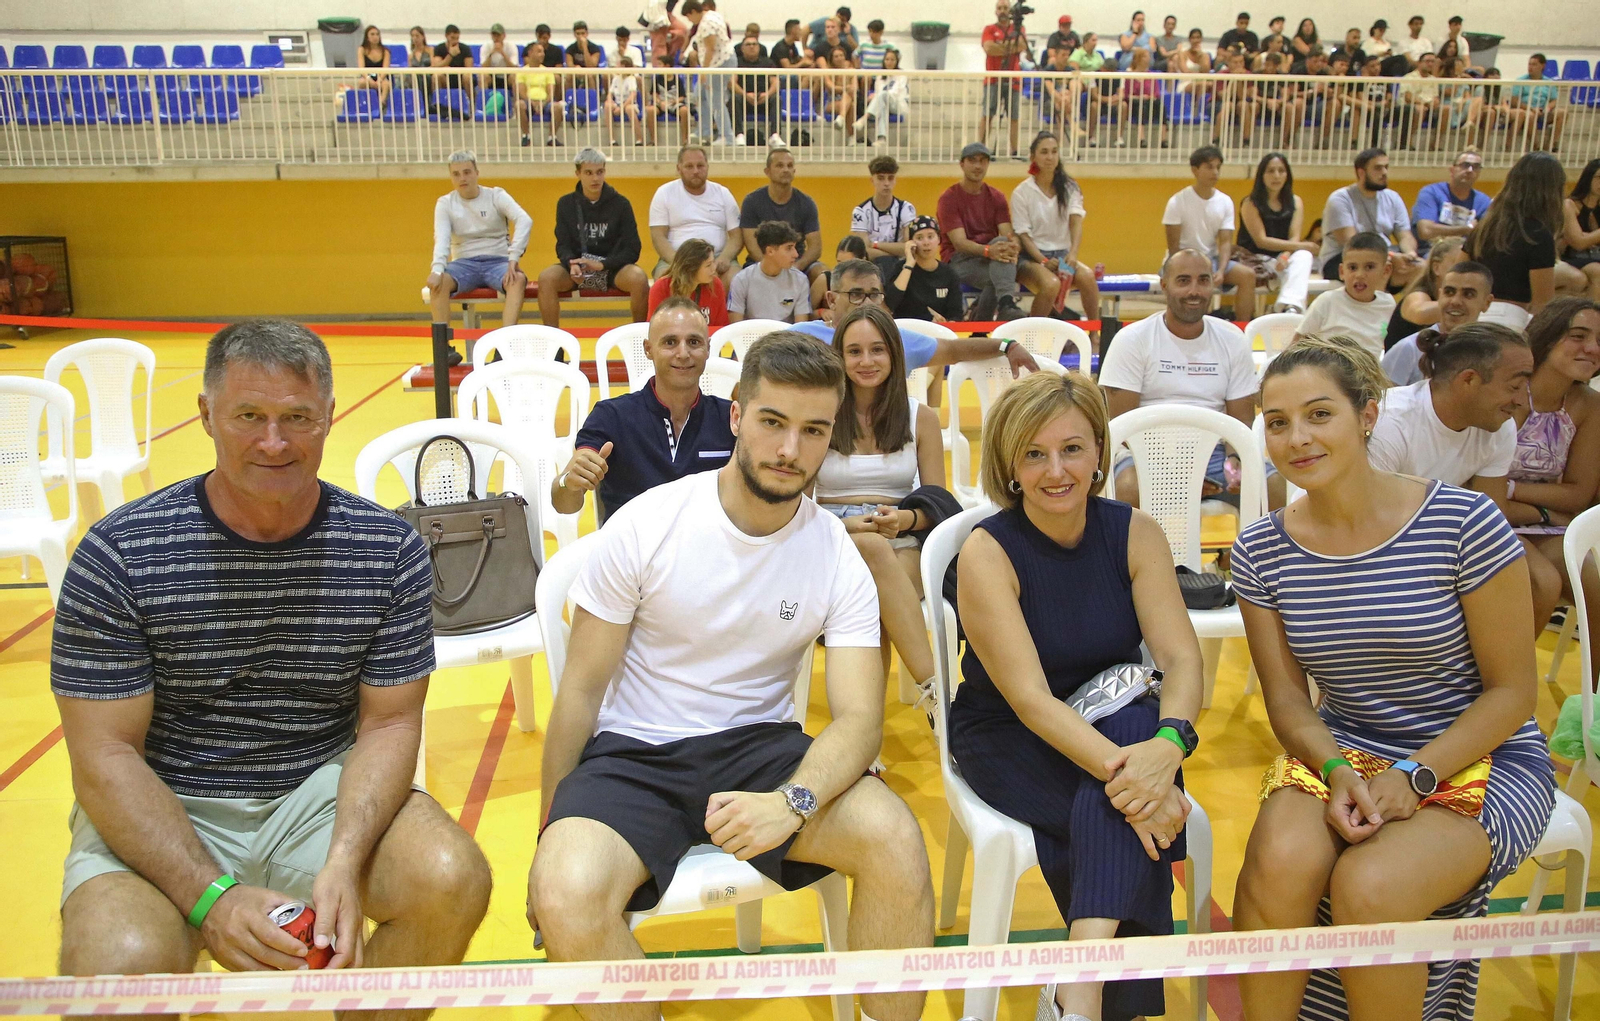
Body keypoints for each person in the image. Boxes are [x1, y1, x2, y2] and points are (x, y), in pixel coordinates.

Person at [53, 319, 492, 988]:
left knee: (450, 878)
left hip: (317, 793)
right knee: (119, 959)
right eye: (249, 416)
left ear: (329, 416)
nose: (274, 442)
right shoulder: (119, 553)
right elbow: (105, 754)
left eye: (297, 417)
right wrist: (209, 897)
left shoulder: (387, 549)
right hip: (167, 797)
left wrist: (345, 858)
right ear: (206, 415)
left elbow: (390, 723)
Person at [528, 333, 936, 1021]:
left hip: (761, 750)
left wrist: (795, 801)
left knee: (896, 840)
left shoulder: (837, 555)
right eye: (773, 422)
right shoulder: (648, 524)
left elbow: (861, 719)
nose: (790, 449)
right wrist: (548, 832)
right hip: (635, 754)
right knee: (565, 891)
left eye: (813, 431)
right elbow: (581, 693)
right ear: (738, 417)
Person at [1231, 334, 1555, 1021]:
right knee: (1277, 865)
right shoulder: (1260, 548)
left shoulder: (1464, 522)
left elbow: (1512, 694)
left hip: (1481, 752)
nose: (1297, 438)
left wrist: (1416, 774)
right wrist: (1333, 767)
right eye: (1278, 422)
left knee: (1371, 884)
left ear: (1368, 416)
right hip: (1344, 745)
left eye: (1320, 414)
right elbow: (1287, 699)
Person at [950, 368, 1204, 1021]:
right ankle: (1102, 1000)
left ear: (1098, 452)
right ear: (1009, 466)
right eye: (1034, 454)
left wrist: (1170, 746)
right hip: (1010, 734)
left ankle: (1078, 988)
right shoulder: (988, 551)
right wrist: (1141, 786)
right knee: (1126, 810)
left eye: (1071, 449)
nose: (1056, 470)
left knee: (1140, 722)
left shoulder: (1135, 532)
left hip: (1110, 716)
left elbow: (1181, 658)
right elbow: (1032, 701)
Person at [815, 305, 944, 702]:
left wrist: (904, 519)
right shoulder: (820, 414)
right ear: (839, 356)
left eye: (877, 350)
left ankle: (865, 732)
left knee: (870, 601)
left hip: (901, 532)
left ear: (894, 354)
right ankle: (937, 693)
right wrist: (850, 526)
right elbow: (795, 509)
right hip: (831, 533)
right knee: (871, 554)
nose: (866, 361)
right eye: (854, 351)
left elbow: (939, 507)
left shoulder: (920, 418)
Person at [1099, 249, 1268, 508]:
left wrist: (1234, 461)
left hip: (1213, 454)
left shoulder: (1233, 339)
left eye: (1203, 280)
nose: (1194, 291)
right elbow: (1121, 429)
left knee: (1273, 485)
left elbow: (1242, 422)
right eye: (1183, 281)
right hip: (1144, 453)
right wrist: (1178, 478)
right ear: (1165, 286)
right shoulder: (1132, 340)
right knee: (1129, 489)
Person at [552, 298, 735, 522]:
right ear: (648, 349)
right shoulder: (611, 416)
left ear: (707, 348)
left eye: (694, 342)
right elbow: (564, 504)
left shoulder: (731, 419)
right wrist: (569, 482)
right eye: (670, 342)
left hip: (706, 542)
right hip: (629, 543)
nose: (683, 353)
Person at [1506, 299, 1600, 679]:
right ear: (1547, 337)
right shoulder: (1511, 391)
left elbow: (1578, 495)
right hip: (1486, 517)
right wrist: (1546, 507)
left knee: (1596, 586)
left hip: (1541, 523)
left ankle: (1592, 703)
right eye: (1578, 336)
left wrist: (1513, 490)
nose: (1592, 348)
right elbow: (1480, 490)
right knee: (1542, 583)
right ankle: (1504, 690)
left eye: (1599, 340)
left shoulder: (1589, 404)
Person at [795, 259, 1042, 381]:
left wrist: (1007, 345)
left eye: (874, 295)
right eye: (856, 295)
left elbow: (954, 350)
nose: (867, 304)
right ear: (831, 299)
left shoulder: (899, 340)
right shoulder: (803, 338)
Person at [427, 151, 531, 365]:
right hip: (463, 263)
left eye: (467, 172)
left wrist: (514, 257)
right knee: (438, 284)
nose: (462, 178)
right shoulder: (445, 203)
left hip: (498, 261)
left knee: (517, 280)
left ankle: (504, 347)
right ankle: (444, 348)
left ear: (477, 172)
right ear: (451, 177)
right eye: (456, 174)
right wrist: (437, 270)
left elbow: (524, 220)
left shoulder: (496, 195)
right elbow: (442, 238)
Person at [540, 149, 647, 327]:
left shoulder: (621, 204)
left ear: (605, 171)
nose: (595, 178)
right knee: (546, 278)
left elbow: (633, 249)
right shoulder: (565, 204)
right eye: (588, 173)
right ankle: (553, 341)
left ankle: (640, 337)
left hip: (612, 269)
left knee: (639, 278)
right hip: (578, 271)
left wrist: (602, 264)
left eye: (599, 172)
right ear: (578, 173)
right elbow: (562, 245)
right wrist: (572, 264)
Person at [938, 142, 1042, 322]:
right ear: (962, 164)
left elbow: (1007, 233)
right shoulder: (949, 198)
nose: (978, 166)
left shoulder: (996, 197)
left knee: (1001, 254)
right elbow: (959, 243)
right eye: (972, 160)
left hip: (993, 257)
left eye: (982, 161)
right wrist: (989, 251)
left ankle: (983, 322)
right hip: (959, 259)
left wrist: (1014, 245)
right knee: (1000, 276)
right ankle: (1002, 307)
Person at [1464, 150, 1565, 330]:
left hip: (1472, 317)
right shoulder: (1538, 235)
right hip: (1511, 320)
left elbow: (1459, 272)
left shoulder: (1484, 228)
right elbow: (1542, 305)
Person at [1010, 131, 1101, 326]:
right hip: (1031, 257)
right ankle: (1031, 335)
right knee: (1051, 284)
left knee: (1087, 277)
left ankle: (1095, 334)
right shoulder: (1022, 192)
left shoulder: (1070, 187)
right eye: (1044, 152)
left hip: (1062, 256)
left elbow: (1076, 222)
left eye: (1054, 151)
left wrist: (1073, 254)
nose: (1050, 157)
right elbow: (1023, 235)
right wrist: (1042, 260)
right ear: (1033, 157)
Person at [1163, 145, 1257, 322]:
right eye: (1209, 167)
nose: (1215, 172)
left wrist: (1221, 270)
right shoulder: (1177, 201)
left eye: (1218, 167)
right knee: (1194, 282)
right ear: (1195, 170)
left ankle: (1242, 327)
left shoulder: (1225, 201)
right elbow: (1173, 246)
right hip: (1182, 260)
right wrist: (1190, 269)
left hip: (1211, 261)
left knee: (1247, 275)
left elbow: (1225, 242)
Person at [1319, 148, 1424, 288]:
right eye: (1378, 168)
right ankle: (1376, 301)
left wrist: (1409, 254)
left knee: (1421, 267)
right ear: (1361, 172)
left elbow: (1405, 236)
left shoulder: (1393, 198)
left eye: (1386, 167)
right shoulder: (1340, 199)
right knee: (1377, 266)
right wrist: (1390, 256)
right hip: (1343, 259)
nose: (1384, 172)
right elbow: (1352, 243)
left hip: (1385, 255)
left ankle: (1404, 304)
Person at [1383, 258, 1493, 386]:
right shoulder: (1409, 349)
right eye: (1449, 292)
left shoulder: (1493, 354)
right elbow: (1381, 396)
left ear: (1487, 302)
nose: (1455, 301)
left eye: (1468, 294)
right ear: (1440, 296)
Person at [649, 145, 743, 286]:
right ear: (679, 168)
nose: (695, 171)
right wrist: (679, 263)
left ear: (707, 167)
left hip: (717, 257)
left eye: (700, 166)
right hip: (677, 257)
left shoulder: (723, 193)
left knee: (737, 281)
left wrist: (724, 258)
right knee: (664, 283)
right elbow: (658, 236)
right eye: (689, 166)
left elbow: (736, 236)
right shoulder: (664, 193)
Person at [1238, 151, 1319, 314]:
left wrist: (1285, 256)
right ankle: (1287, 308)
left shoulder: (1296, 201)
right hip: (1255, 259)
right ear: (1261, 175)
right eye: (1271, 171)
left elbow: (1294, 237)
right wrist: (1303, 245)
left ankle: (1289, 308)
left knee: (1304, 256)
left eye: (1281, 171)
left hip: (1282, 259)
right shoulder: (1250, 203)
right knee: (1299, 259)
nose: (1276, 176)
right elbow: (1261, 240)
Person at [1294, 233, 1395, 357]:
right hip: (1329, 367)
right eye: (1352, 268)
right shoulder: (1327, 301)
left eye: (1369, 267)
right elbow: (1296, 346)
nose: (1359, 275)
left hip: (1368, 367)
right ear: (1342, 271)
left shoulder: (1388, 305)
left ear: (1386, 270)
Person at [741, 148, 826, 288]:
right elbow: (751, 245)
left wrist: (797, 266)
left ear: (794, 171)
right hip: (760, 263)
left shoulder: (806, 203)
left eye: (790, 165)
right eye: (780, 165)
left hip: (796, 262)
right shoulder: (752, 201)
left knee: (822, 273)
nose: (786, 169)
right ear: (767, 171)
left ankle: (809, 302)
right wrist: (769, 267)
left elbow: (815, 247)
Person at [1387, 238, 1469, 351]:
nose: (1466, 272)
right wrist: (1471, 304)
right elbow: (1419, 313)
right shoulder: (1417, 294)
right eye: (1459, 265)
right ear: (1436, 268)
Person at [882, 215, 965, 323]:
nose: (926, 243)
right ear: (911, 243)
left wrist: (945, 323)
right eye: (919, 238)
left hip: (937, 330)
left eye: (930, 237)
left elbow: (956, 315)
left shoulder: (949, 274)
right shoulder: (901, 268)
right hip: (906, 329)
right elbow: (890, 304)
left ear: (939, 239)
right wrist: (909, 264)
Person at [1413, 149, 1492, 257]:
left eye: (1476, 167)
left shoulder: (1483, 201)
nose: (1470, 170)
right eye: (1465, 165)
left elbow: (1485, 236)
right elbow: (1425, 231)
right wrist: (1467, 229)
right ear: (1452, 170)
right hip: (1430, 252)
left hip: (1465, 254)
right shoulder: (1432, 192)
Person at [729, 221, 812, 323]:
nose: (796, 254)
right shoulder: (741, 280)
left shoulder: (800, 280)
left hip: (786, 333)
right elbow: (736, 326)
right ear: (770, 251)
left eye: (794, 247)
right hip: (752, 332)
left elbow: (801, 327)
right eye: (789, 248)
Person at [977, 0, 1029, 159]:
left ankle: (1014, 151)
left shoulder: (1018, 29)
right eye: (999, 8)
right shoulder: (989, 29)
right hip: (993, 79)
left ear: (1010, 11)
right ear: (995, 11)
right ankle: (980, 148)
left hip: (1013, 79)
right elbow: (988, 48)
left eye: (1005, 8)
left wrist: (999, 46)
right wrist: (1010, 47)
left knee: (1014, 116)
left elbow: (1022, 46)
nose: (1002, 11)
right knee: (988, 114)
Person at [682, 1, 736, 145]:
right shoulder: (712, 14)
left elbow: (710, 49)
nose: (689, 21)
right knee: (699, 94)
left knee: (715, 99)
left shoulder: (707, 25)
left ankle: (727, 137)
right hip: (719, 62)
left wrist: (704, 71)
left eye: (688, 17)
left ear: (693, 12)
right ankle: (704, 131)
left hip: (719, 63)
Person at [648, 238, 730, 329]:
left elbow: (721, 328)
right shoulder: (661, 288)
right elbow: (654, 329)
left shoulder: (715, 285)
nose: (714, 268)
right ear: (691, 269)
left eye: (713, 262)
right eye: (708, 265)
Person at [851, 155, 916, 260]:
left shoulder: (905, 208)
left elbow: (910, 248)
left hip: (900, 267)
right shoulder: (860, 212)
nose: (886, 183)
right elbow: (863, 252)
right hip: (870, 266)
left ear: (895, 180)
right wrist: (896, 253)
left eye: (890, 178)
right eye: (881, 178)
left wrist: (875, 244)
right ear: (872, 180)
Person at [1506, 54, 1567, 154]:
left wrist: (1548, 107)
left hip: (1543, 111)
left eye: (1534, 64)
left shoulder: (1548, 82)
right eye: (1529, 64)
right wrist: (1530, 108)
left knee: (1562, 113)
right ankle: (1536, 146)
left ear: (1542, 66)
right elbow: (1514, 100)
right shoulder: (1521, 80)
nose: (1530, 67)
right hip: (1527, 110)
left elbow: (1554, 100)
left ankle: (1550, 145)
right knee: (1530, 116)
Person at [731, 35, 782, 147]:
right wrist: (745, 95)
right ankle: (739, 135)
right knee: (734, 99)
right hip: (744, 100)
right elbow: (731, 83)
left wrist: (767, 95)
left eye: (754, 44)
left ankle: (775, 135)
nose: (752, 47)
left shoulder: (768, 62)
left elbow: (775, 83)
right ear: (742, 48)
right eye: (748, 44)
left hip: (764, 100)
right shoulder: (736, 63)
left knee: (776, 99)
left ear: (759, 47)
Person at [516, 42, 567, 147]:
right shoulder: (522, 71)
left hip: (545, 102)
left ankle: (552, 137)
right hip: (529, 102)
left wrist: (542, 104)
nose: (542, 54)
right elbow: (522, 92)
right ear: (530, 53)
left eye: (543, 52)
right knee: (519, 105)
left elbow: (551, 92)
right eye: (539, 51)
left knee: (558, 107)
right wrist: (532, 103)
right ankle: (526, 136)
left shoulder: (547, 71)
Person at [855, 47, 909, 146]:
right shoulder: (880, 76)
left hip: (897, 104)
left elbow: (895, 93)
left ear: (896, 61)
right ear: (884, 61)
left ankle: (864, 118)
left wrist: (876, 95)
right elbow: (878, 94)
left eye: (892, 60)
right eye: (887, 59)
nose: (889, 62)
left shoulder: (901, 75)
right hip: (883, 102)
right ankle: (881, 138)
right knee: (882, 105)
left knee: (882, 95)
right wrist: (876, 95)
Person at [1563, 158, 1600, 299]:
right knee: (1597, 271)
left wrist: (1588, 237)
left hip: (1596, 256)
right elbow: (1578, 243)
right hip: (1573, 257)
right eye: (1599, 178)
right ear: (1588, 177)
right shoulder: (1569, 204)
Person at [1118, 48, 1169, 148]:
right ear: (1139, 59)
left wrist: (1150, 97)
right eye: (1146, 56)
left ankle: (1164, 139)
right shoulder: (1129, 75)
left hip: (1149, 101)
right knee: (1141, 106)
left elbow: (1156, 93)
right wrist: (1140, 97)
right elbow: (1127, 94)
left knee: (1160, 105)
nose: (1148, 58)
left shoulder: (1151, 75)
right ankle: (1142, 139)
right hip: (1135, 102)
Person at [643, 54, 692, 148]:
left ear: (667, 66)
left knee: (684, 110)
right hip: (661, 103)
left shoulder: (677, 79)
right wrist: (659, 102)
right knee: (650, 110)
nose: (658, 66)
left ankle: (685, 140)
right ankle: (653, 140)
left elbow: (682, 96)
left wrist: (675, 101)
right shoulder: (657, 79)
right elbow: (654, 94)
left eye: (660, 64)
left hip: (674, 103)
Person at [430, 24, 476, 108]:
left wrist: (450, 68)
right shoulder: (439, 48)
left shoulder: (465, 48)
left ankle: (472, 105)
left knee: (467, 76)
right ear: (446, 36)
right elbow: (436, 66)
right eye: (452, 38)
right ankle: (437, 105)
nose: (455, 41)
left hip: (461, 78)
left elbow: (469, 68)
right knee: (436, 76)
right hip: (446, 79)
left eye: (457, 38)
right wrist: (450, 55)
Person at [603, 56, 644, 147]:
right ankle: (612, 139)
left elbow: (633, 95)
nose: (615, 67)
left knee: (629, 109)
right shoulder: (615, 79)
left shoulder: (631, 79)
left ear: (623, 66)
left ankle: (639, 139)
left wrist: (622, 107)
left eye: (617, 65)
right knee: (607, 105)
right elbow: (610, 94)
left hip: (629, 104)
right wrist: (610, 101)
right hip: (617, 103)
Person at [821, 47, 858, 134]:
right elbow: (831, 87)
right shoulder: (828, 72)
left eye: (841, 55)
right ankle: (851, 136)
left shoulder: (851, 71)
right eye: (836, 56)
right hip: (832, 102)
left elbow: (855, 87)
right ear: (832, 59)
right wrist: (845, 88)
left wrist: (845, 89)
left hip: (849, 100)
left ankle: (841, 118)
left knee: (851, 104)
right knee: (848, 98)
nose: (839, 58)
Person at [357, 25, 392, 110]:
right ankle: (364, 104)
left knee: (386, 84)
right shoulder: (362, 49)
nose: (375, 37)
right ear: (367, 37)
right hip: (367, 76)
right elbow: (361, 68)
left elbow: (385, 68)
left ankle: (381, 104)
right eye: (372, 34)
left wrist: (379, 80)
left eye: (377, 34)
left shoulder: (385, 51)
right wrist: (369, 79)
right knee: (361, 82)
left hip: (381, 77)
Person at [478, 23, 516, 91]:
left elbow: (514, 67)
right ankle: (484, 97)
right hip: (492, 76)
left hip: (507, 75)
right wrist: (491, 54)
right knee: (483, 77)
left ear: (504, 36)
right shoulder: (486, 46)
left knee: (515, 77)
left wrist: (503, 53)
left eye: (498, 35)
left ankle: (516, 98)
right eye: (494, 35)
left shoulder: (511, 46)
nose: (496, 38)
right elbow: (483, 67)